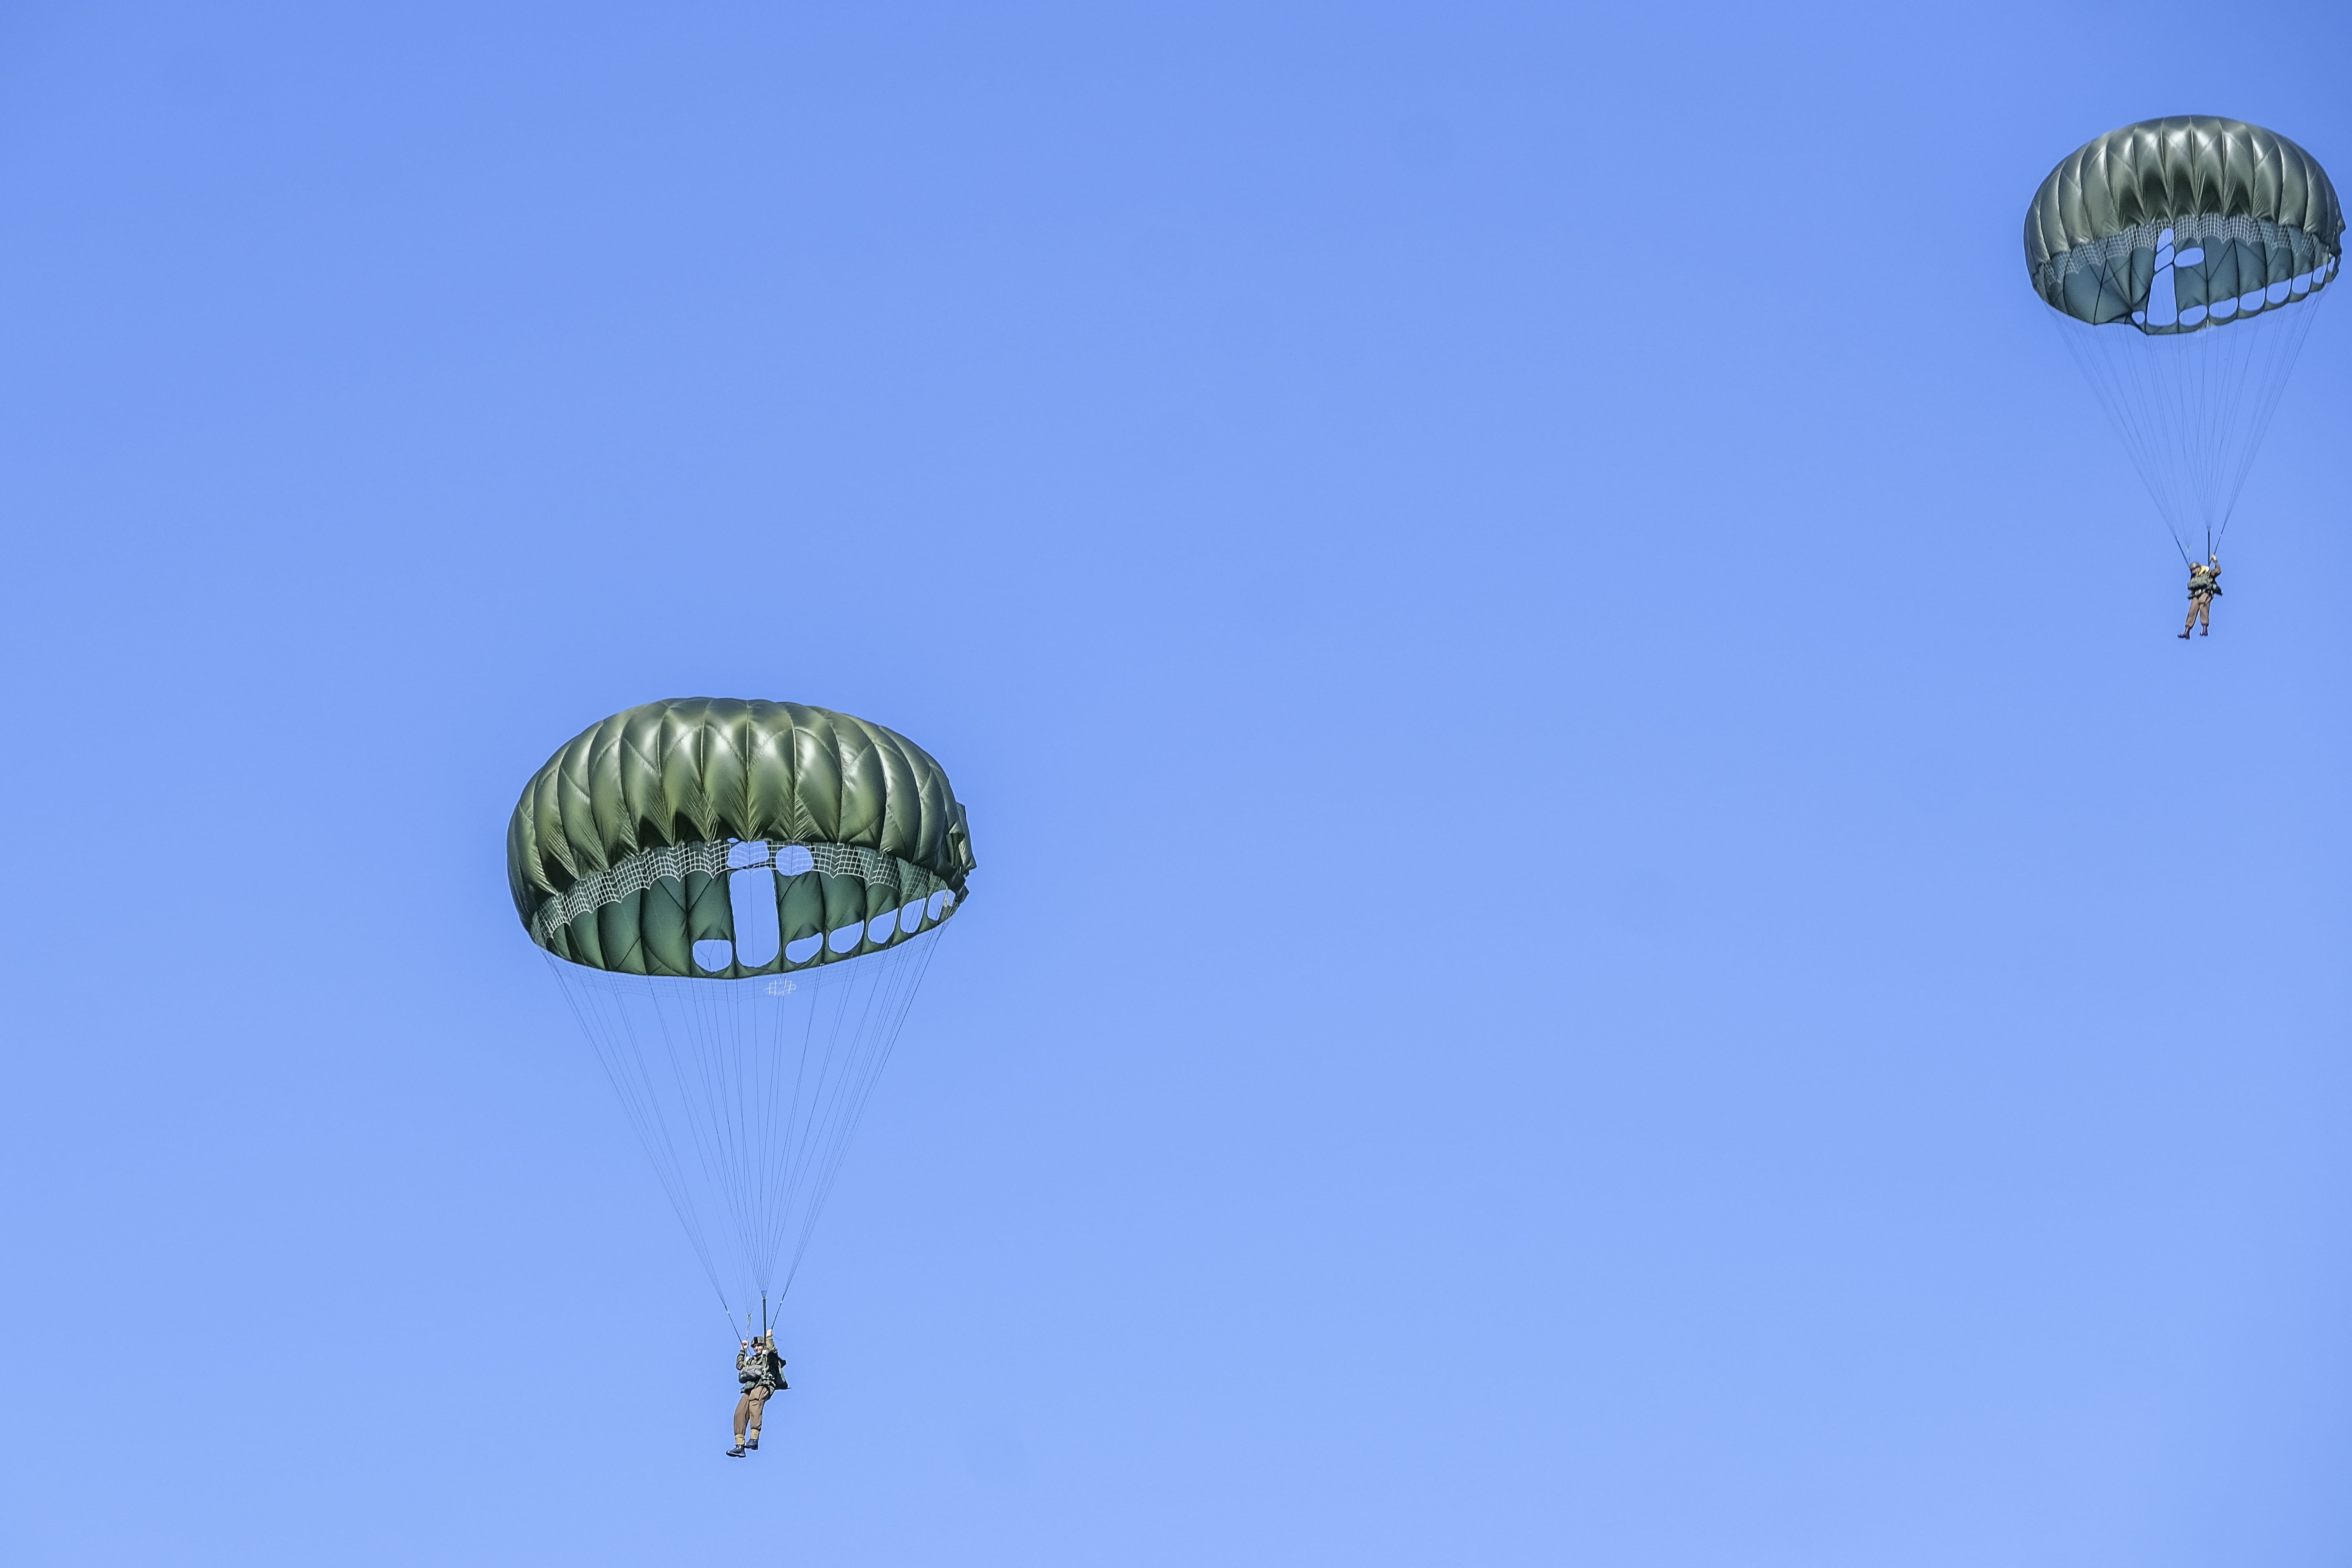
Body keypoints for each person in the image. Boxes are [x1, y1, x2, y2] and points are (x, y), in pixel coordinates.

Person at [726, 1334, 787, 1457]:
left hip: (764, 1385)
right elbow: (740, 1366)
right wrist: (743, 1350)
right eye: (755, 1347)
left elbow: (773, 1352)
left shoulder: (768, 1357)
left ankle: (754, 1438)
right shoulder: (752, 1361)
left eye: (759, 1346)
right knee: (740, 1412)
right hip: (751, 1387)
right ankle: (740, 1445)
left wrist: (769, 1339)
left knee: (755, 1400)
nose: (757, 1349)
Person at [2181, 555, 2220, 638]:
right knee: (2192, 610)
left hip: (2206, 593)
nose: (2193, 571)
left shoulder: (2208, 574)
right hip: (2196, 594)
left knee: (2203, 604)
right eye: (2192, 570)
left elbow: (2218, 571)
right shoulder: (2194, 578)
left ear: (2199, 568)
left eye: (2195, 569)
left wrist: (2215, 562)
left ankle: (2205, 629)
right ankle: (2187, 631)